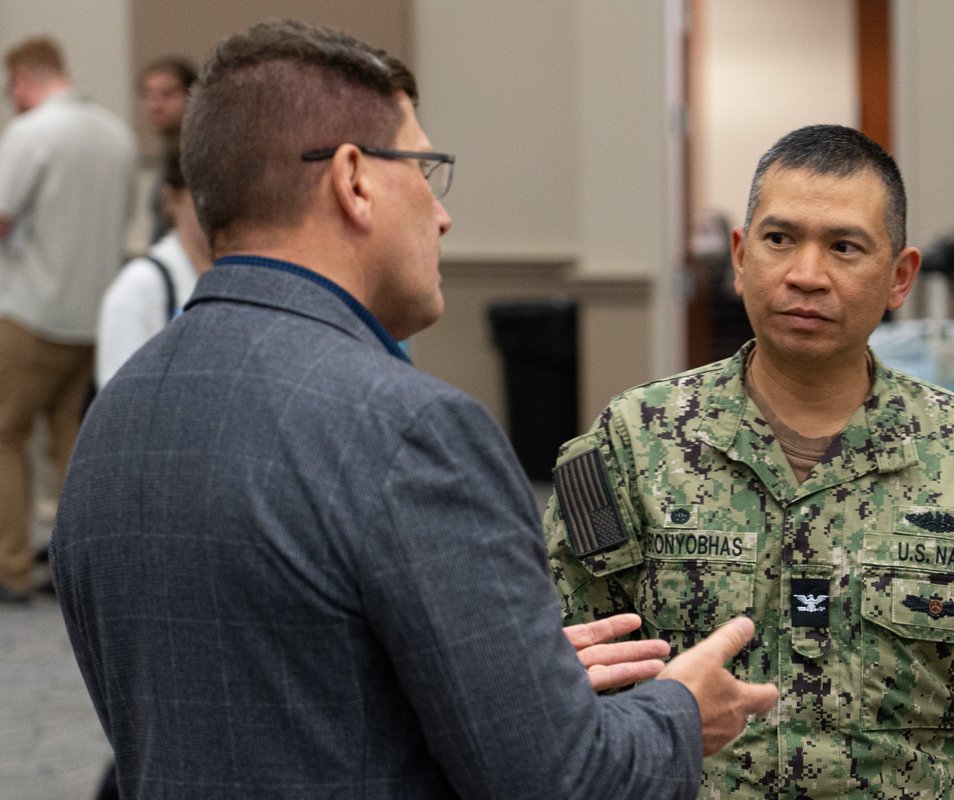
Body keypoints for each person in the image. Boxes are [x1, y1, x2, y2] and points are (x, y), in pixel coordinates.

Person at [51, 20, 777, 799]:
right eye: (427, 170)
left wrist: (508, 677)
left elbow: (273, 701)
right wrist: (680, 710)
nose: (442, 214)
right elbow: (566, 782)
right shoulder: (412, 432)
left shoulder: (116, 416)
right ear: (355, 179)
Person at [543, 125, 954, 798]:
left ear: (899, 278)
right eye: (779, 240)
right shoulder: (630, 446)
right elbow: (568, 698)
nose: (806, 274)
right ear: (740, 258)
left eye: (844, 247)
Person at [0, 37, 136, 604]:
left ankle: (9, 570)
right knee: (70, 444)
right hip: (92, 318)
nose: (12, 100)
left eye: (11, 88)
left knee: (3, 436)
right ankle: (71, 570)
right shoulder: (118, 134)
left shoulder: (31, 134)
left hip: (32, 314)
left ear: (26, 76)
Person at [95, 145, 211, 389]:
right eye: (203, 197)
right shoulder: (139, 285)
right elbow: (119, 394)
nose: (218, 209)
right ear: (171, 199)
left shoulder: (233, 276)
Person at [138, 56, 197, 241]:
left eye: (166, 94)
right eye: (149, 95)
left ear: (191, 95)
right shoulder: (166, 153)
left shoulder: (202, 157)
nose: (155, 105)